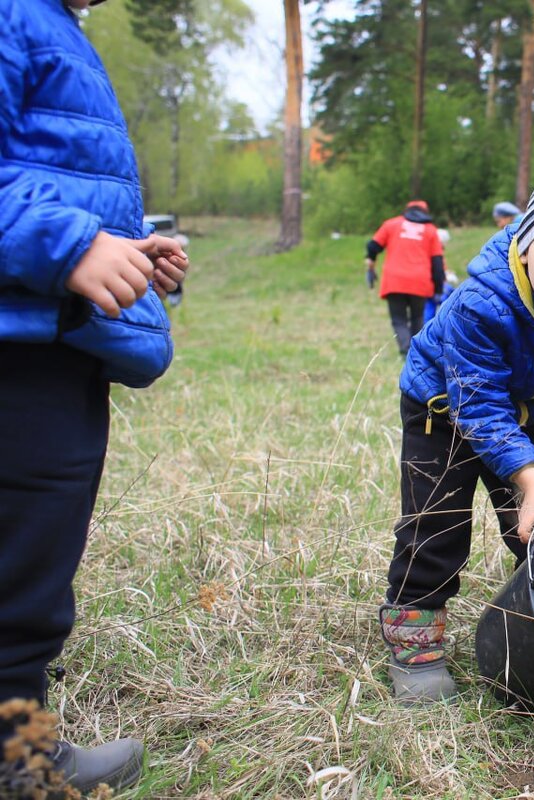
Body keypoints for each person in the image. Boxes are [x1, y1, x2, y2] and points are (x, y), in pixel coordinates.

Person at [0, 0, 190, 794]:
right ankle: (24, 767)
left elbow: (48, 169)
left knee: (31, 575)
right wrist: (68, 244)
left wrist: (126, 249)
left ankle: (21, 756)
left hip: (58, 341)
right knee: (18, 584)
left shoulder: (56, 27)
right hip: (20, 356)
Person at [379, 175, 534, 703]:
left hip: (526, 413)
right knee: (436, 526)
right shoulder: (480, 302)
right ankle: (415, 641)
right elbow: (478, 403)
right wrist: (525, 474)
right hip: (443, 412)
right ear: (525, 239)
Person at [365, 199, 445, 355]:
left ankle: (405, 347)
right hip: (420, 281)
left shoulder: (391, 224)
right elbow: (437, 262)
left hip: (394, 281)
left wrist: (371, 259)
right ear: (425, 213)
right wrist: (438, 288)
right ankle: (416, 352)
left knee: (398, 318)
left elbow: (372, 246)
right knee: (417, 318)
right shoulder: (430, 230)